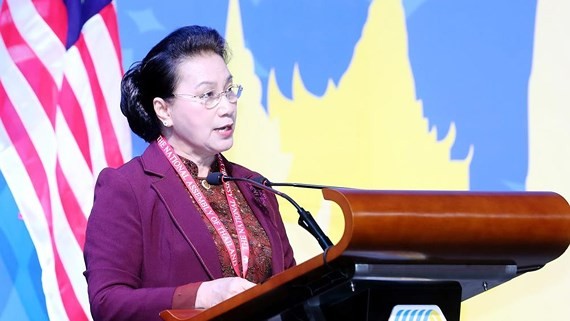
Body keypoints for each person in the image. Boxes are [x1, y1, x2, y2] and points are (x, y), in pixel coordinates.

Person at [83, 25, 296, 321]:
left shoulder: (253, 186)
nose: (227, 107)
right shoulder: (127, 188)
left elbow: (294, 288)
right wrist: (200, 296)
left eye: (229, 91)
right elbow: (108, 303)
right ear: (164, 110)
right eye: (208, 95)